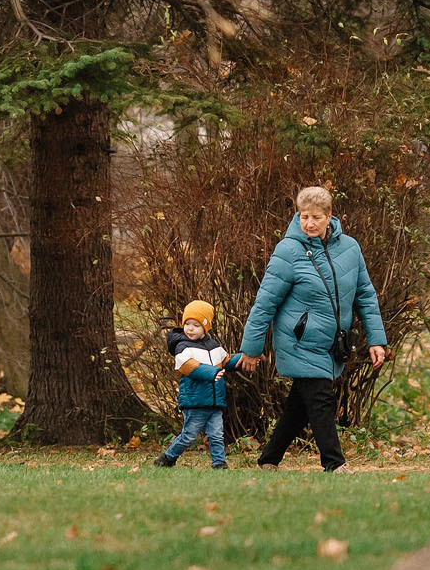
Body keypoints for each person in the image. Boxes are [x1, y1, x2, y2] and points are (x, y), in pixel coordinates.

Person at [239, 186, 388, 471]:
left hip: (331, 344)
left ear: (330, 216)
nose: (309, 223)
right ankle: (335, 463)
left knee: (299, 405)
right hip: (299, 341)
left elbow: (365, 296)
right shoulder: (288, 250)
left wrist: (376, 340)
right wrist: (251, 348)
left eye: (316, 217)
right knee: (321, 399)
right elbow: (265, 303)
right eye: (303, 216)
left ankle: (269, 460)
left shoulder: (350, 248)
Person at [155, 300, 243, 468]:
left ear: (205, 327)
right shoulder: (182, 346)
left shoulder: (214, 346)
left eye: (195, 325)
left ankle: (219, 463)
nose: (190, 328)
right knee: (189, 435)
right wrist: (212, 372)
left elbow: (227, 361)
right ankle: (167, 458)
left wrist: (244, 358)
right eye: (187, 324)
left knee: (217, 435)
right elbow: (189, 367)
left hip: (215, 401)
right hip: (195, 401)